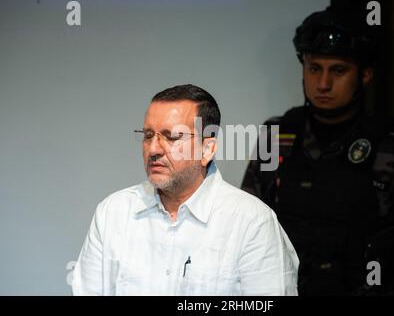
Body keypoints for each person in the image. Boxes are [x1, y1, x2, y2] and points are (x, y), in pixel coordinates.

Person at [241, 7, 394, 295]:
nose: (323, 83)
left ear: (364, 75)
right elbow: (244, 226)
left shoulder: (392, 148)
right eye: (315, 69)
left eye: (338, 70)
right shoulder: (277, 136)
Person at [72, 84, 299, 295]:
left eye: (171, 137)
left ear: (207, 149)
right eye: (148, 135)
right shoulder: (113, 213)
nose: (153, 149)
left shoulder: (252, 222)